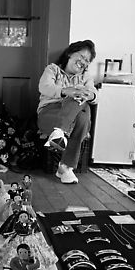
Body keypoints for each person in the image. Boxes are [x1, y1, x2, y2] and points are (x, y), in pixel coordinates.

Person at [37, 40, 99, 184]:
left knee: (83, 107)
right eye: (82, 57)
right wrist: (66, 92)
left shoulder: (85, 77)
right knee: (79, 105)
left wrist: (89, 95)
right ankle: (65, 167)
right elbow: (44, 87)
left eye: (87, 61)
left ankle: (59, 136)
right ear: (70, 53)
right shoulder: (52, 69)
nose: (83, 62)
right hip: (50, 114)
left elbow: (95, 94)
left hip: (73, 121)